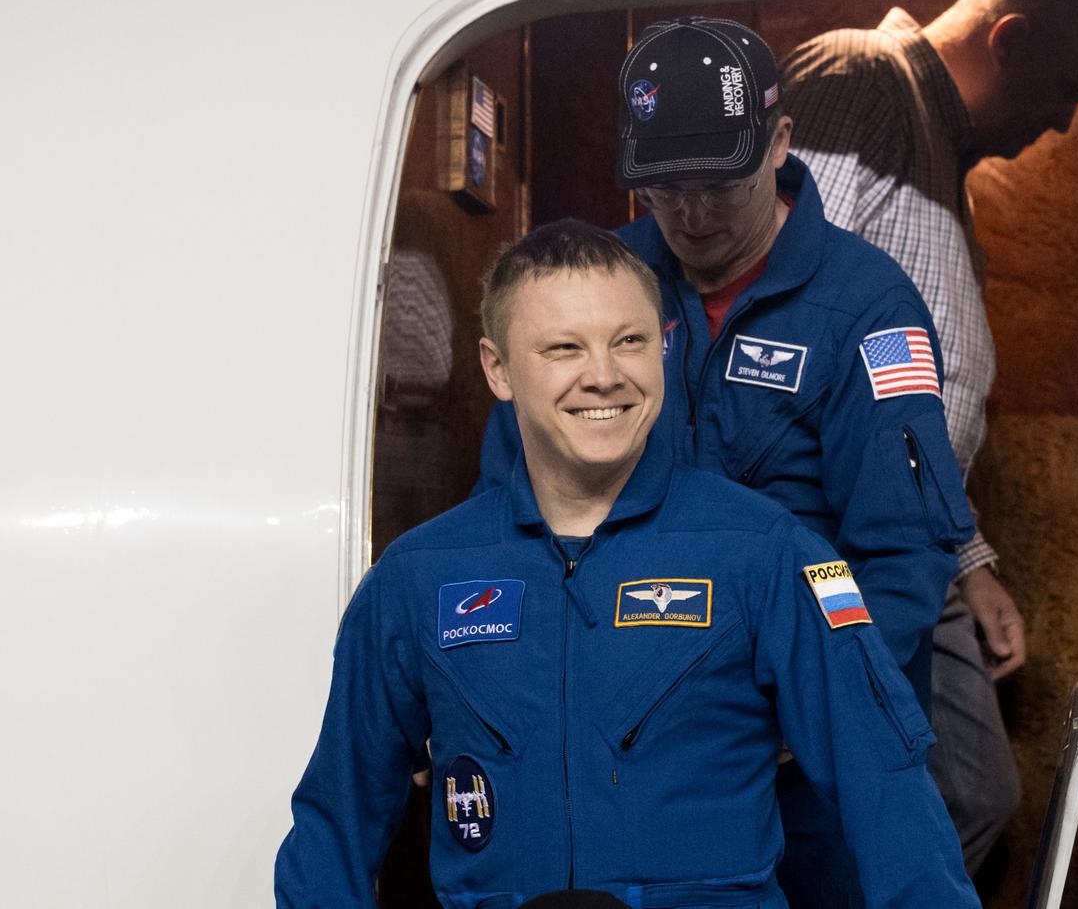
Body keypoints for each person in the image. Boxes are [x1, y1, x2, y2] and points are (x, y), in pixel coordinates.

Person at [276, 220, 979, 909]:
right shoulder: (418, 579)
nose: (604, 376)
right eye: (563, 348)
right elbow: (333, 830)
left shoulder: (766, 554)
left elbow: (889, 793)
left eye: (630, 342)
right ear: (498, 369)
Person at [477, 19, 976, 907]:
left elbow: (902, 560)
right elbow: (508, 507)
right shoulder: (599, 284)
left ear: (780, 145)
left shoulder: (867, 308)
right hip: (627, 741)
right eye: (668, 192)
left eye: (720, 185)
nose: (695, 216)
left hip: (811, 747)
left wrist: (798, 703)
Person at [781, 0, 1078, 872]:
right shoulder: (859, 82)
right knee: (836, 805)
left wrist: (970, 564)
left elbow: (915, 398)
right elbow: (763, 317)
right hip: (832, 535)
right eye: (1064, 93)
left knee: (972, 790)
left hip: (913, 542)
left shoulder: (938, 157)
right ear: (1008, 39)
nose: (1059, 125)